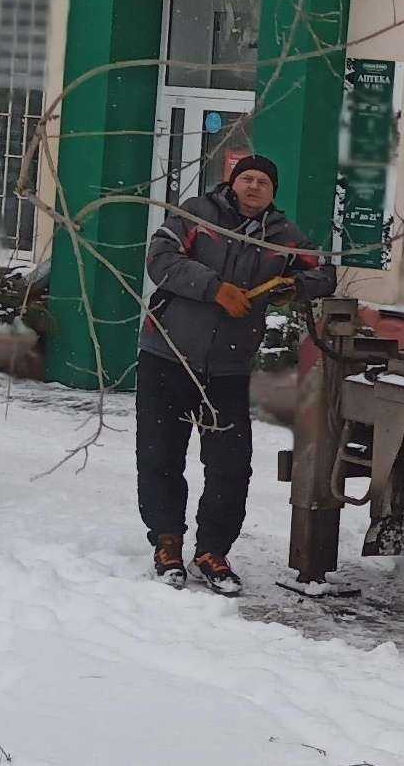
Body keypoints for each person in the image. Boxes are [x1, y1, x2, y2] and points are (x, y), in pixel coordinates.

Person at [137, 154, 337, 594]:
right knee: (160, 455)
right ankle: (167, 543)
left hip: (227, 366)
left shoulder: (282, 235)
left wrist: (294, 285)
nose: (253, 186)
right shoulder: (196, 215)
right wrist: (215, 289)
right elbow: (160, 258)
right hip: (168, 354)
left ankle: (213, 551)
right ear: (232, 182)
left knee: (230, 465)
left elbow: (324, 273)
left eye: (263, 181)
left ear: (273, 191)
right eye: (246, 178)